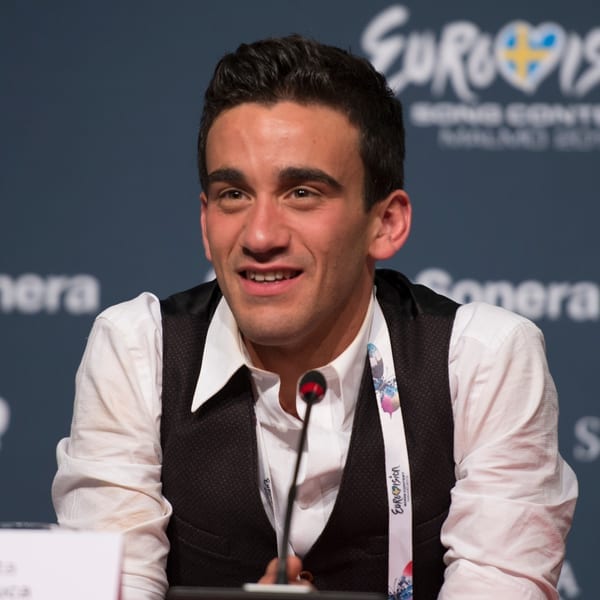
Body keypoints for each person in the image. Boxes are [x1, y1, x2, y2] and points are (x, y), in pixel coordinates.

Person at [52, 35, 577, 600]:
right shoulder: (139, 350)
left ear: (386, 223)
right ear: (205, 224)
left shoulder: (481, 360)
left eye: (301, 193)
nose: (260, 236)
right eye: (233, 194)